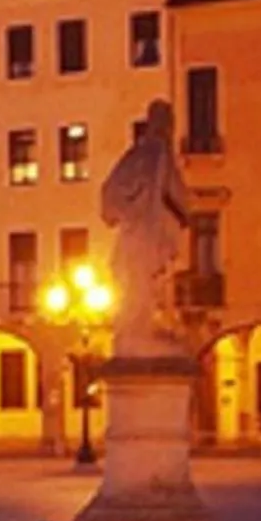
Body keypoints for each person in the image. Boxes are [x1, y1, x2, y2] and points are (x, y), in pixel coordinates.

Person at [99, 99, 193, 360]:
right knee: (142, 284)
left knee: (139, 284)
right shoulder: (159, 156)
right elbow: (180, 196)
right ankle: (137, 335)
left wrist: (123, 214)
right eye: (169, 124)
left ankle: (134, 333)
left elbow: (108, 196)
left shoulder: (134, 156)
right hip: (147, 234)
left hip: (134, 235)